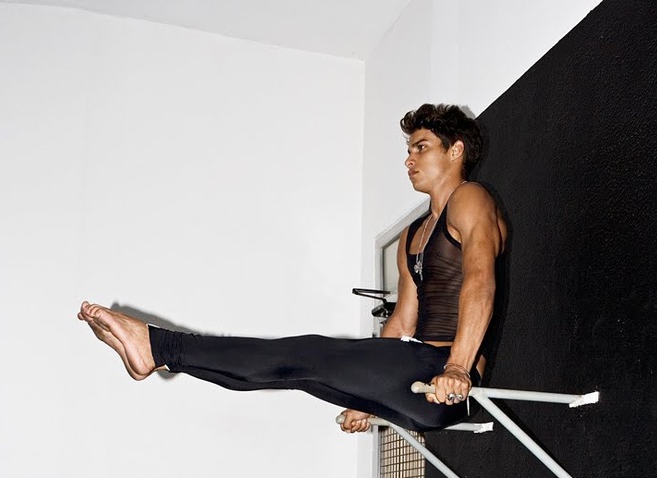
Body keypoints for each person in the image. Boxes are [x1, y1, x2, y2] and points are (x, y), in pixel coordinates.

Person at [78, 104, 507, 433]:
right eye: (408, 150)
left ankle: (160, 347)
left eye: (421, 147)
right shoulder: (413, 236)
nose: (409, 160)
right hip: (416, 375)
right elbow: (403, 321)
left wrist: (457, 366)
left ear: (456, 151)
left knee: (303, 354)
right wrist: (364, 398)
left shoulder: (470, 198)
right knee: (293, 368)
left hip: (449, 378)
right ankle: (161, 356)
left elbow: (480, 280)